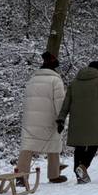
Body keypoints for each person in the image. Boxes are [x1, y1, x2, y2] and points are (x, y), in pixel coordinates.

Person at [57, 60, 98, 184]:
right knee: (94, 144)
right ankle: (83, 167)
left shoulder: (75, 82)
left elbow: (67, 102)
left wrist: (61, 119)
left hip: (76, 119)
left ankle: (79, 175)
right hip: (92, 119)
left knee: (79, 146)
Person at [17, 51, 67, 184]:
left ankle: (21, 176)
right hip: (48, 119)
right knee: (54, 144)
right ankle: (54, 174)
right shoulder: (55, 80)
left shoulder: (32, 80)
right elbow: (60, 102)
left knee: (27, 146)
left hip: (30, 119)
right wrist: (61, 119)